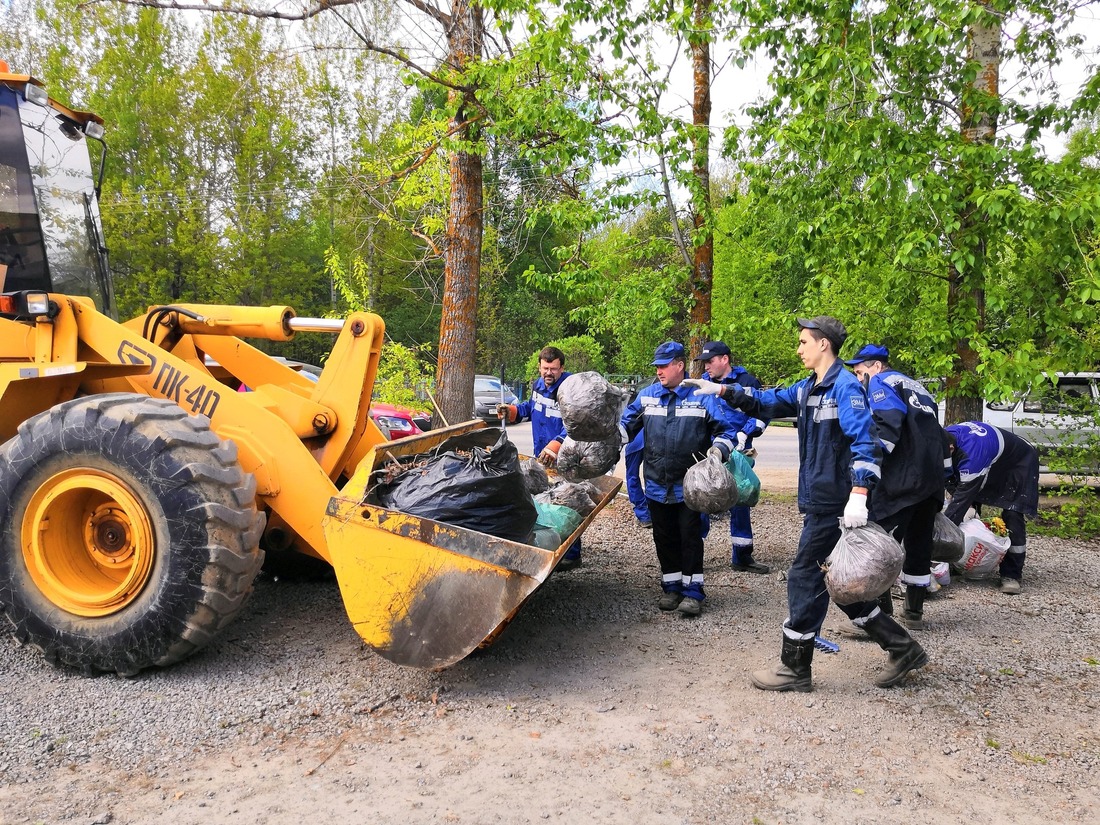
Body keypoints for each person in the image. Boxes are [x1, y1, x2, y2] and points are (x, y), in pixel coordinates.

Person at [684, 316, 929, 691]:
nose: (798, 349)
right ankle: (901, 647)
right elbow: (766, 402)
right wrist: (721, 391)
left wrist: (859, 495)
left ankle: (795, 668)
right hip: (822, 501)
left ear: (823, 345)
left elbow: (867, 443)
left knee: (804, 576)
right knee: (839, 581)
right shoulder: (808, 388)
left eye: (803, 342)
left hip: (835, 504)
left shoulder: (845, 388)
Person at [620, 341, 737, 617]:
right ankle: (671, 587)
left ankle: (693, 592)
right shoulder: (647, 396)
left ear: (680, 365)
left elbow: (727, 432)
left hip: (691, 487)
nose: (659, 371)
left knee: (690, 537)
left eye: (664, 366)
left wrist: (718, 452)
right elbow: (625, 426)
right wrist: (607, 439)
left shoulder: (701, 396)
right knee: (664, 537)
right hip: (657, 483)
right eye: (657, 367)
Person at [846, 344, 949, 629]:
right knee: (919, 544)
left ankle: (879, 614)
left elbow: (888, 423)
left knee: (877, 539)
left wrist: (870, 463)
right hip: (931, 481)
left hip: (903, 479)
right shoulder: (919, 387)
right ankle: (914, 613)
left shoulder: (881, 381)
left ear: (876, 366)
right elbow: (937, 435)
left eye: (859, 371)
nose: (858, 379)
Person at [497, 346, 582, 570]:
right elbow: (530, 408)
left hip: (564, 457)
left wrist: (557, 444)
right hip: (541, 455)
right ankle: (550, 543)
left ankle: (572, 554)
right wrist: (513, 411)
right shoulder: (537, 385)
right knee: (544, 500)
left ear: (562, 368)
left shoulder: (571, 391)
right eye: (545, 368)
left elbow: (576, 425)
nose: (548, 373)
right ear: (539, 366)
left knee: (567, 502)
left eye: (553, 369)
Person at [693, 340, 770, 574]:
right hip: (710, 453)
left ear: (725, 359)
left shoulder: (746, 382)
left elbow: (761, 413)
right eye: (704, 362)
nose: (706, 366)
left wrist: (745, 433)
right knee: (702, 500)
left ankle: (742, 556)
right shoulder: (705, 385)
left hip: (738, 452)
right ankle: (694, 554)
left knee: (740, 501)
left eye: (710, 361)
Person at [943, 421, 1040, 595]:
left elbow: (961, 500)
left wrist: (940, 536)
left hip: (1019, 462)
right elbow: (948, 479)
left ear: (950, 448)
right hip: (992, 457)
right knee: (966, 508)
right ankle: (961, 560)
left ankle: (1011, 574)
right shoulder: (942, 437)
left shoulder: (972, 455)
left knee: (1012, 512)